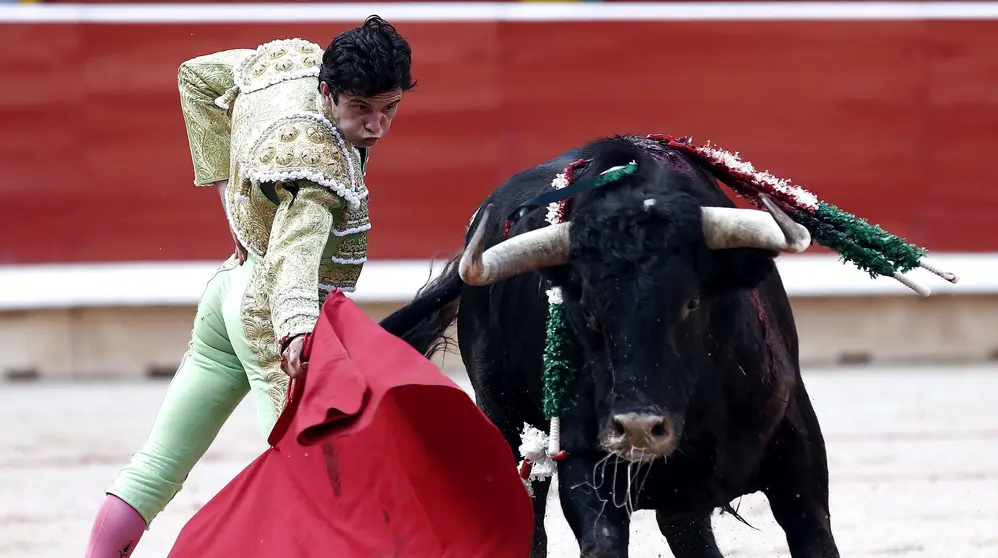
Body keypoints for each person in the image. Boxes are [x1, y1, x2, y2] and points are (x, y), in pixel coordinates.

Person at [84, 16, 416, 558]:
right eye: (362, 109)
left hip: (228, 293)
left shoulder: (288, 67)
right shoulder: (318, 161)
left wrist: (231, 205)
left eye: (390, 108)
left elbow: (196, 77)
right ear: (328, 93)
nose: (376, 125)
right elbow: (296, 249)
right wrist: (295, 332)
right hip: (273, 323)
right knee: (311, 484)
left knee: (157, 464)